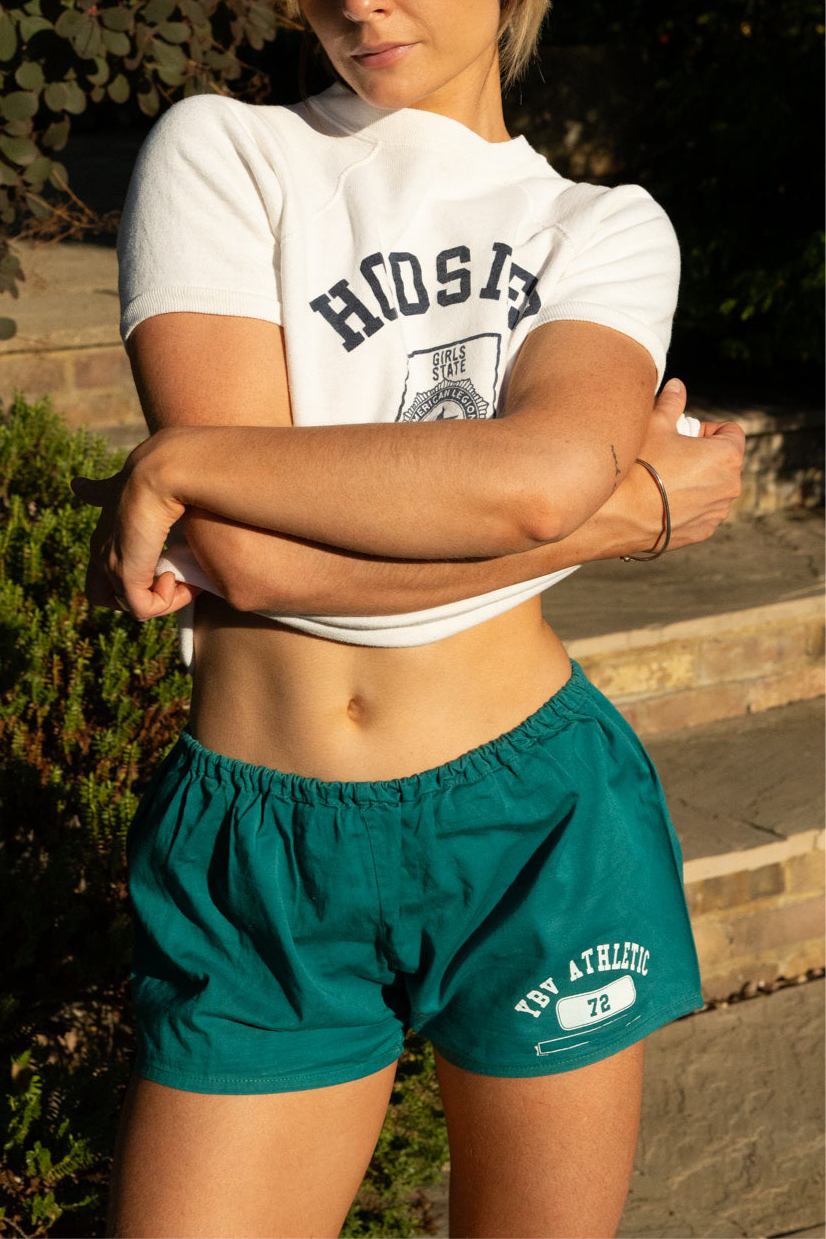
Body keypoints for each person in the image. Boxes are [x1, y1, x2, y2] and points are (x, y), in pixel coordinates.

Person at [73, 2, 744, 1236]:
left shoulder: (601, 226)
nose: (359, 1)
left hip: (536, 822)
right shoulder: (224, 150)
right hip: (262, 847)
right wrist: (617, 518)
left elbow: (539, 477)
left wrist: (186, 465)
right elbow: (249, 558)